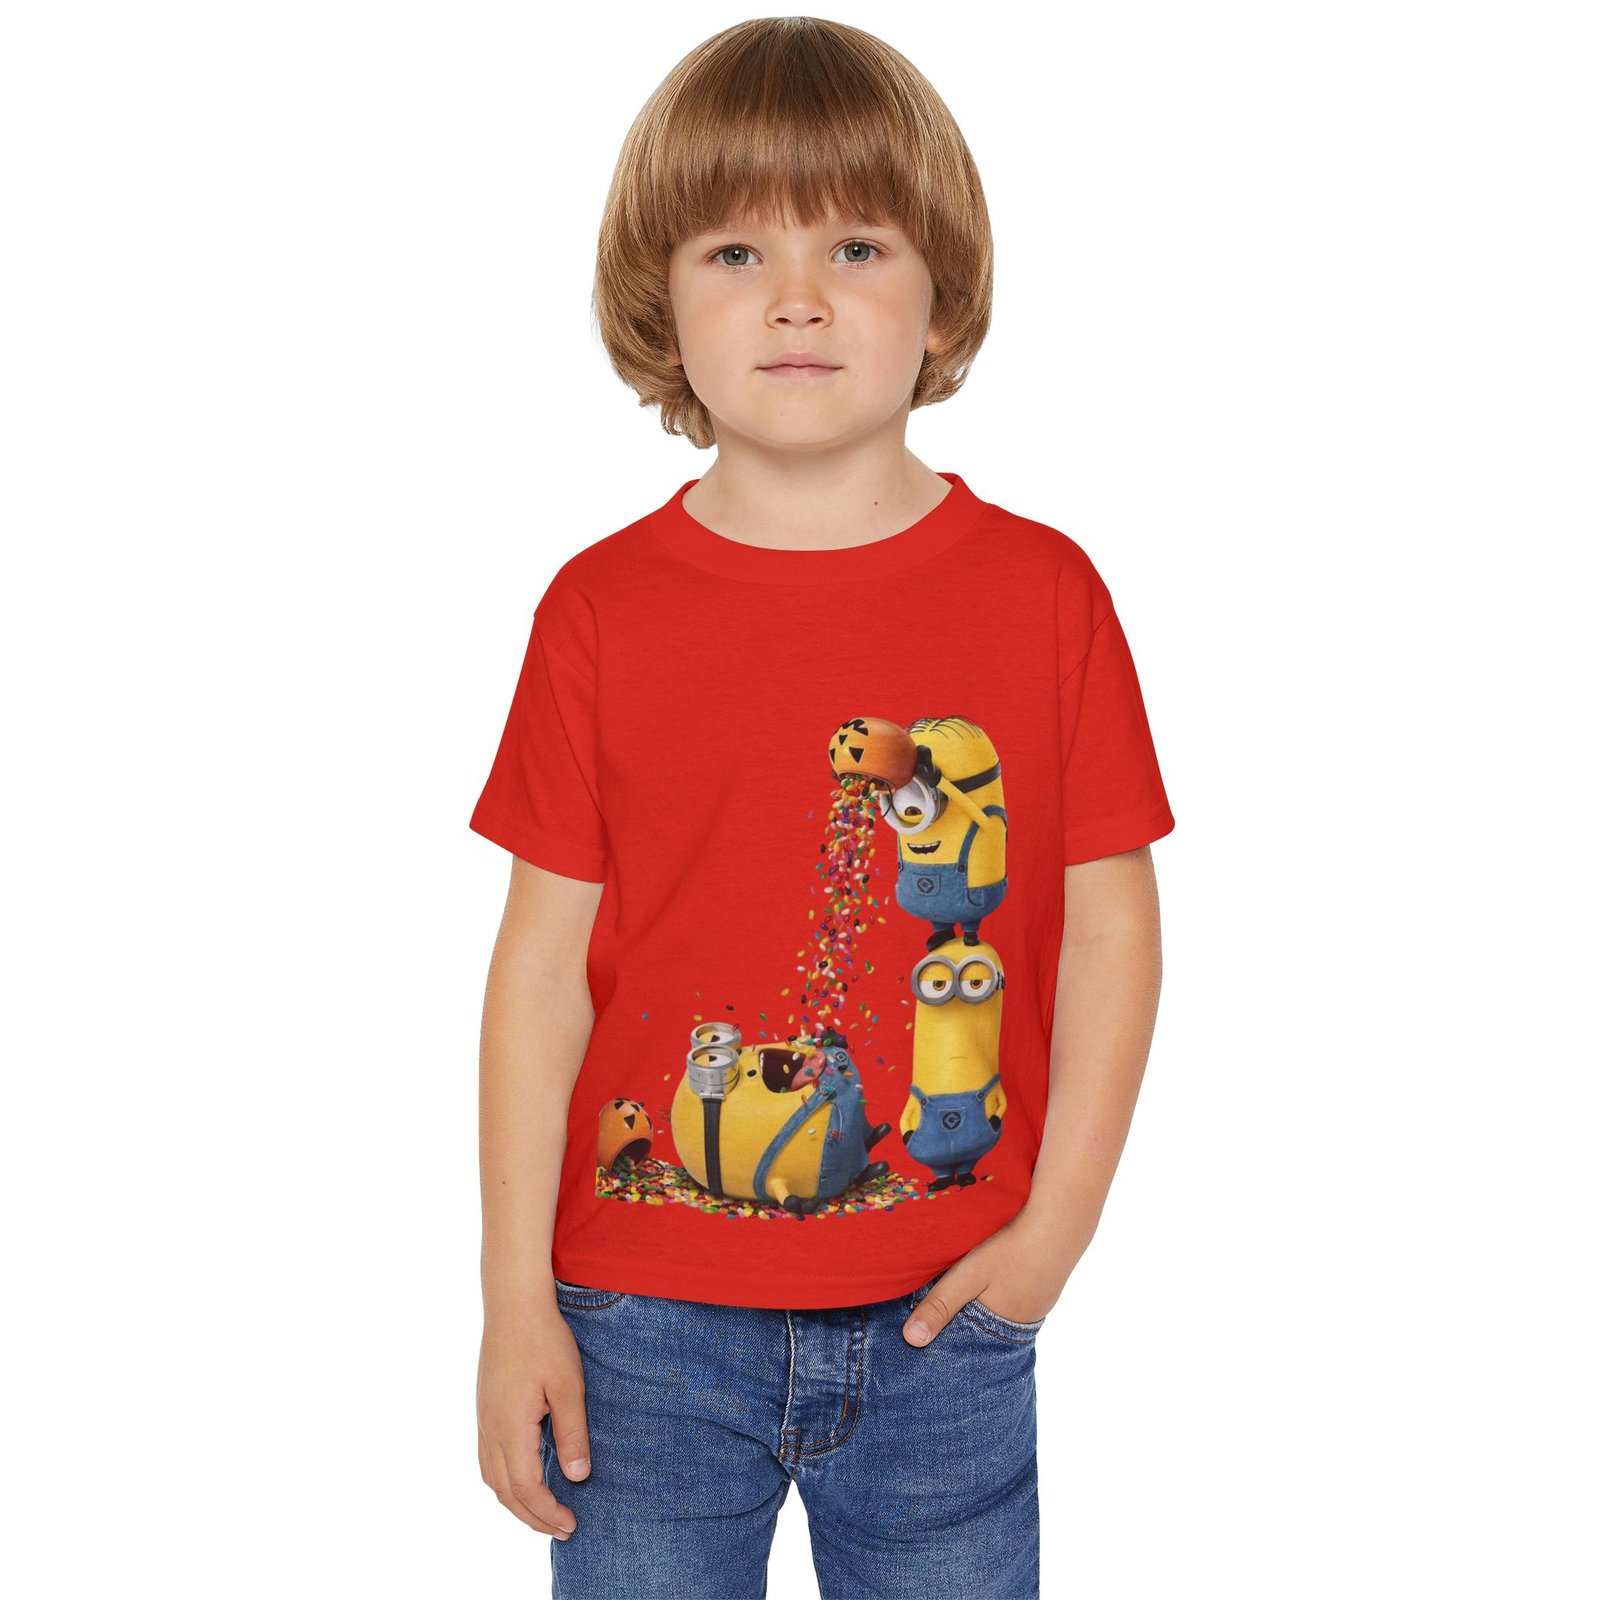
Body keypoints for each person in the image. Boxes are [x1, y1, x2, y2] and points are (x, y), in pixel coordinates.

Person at [470, 18, 1174, 1598]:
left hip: (947, 1314)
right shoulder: (599, 612)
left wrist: (1052, 1238)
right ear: (660, 299)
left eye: (855, 245)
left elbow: (1113, 930)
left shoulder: (1044, 597)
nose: (796, 296)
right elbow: (539, 974)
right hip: (637, 1325)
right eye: (736, 250)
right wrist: (515, 1299)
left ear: (943, 293)